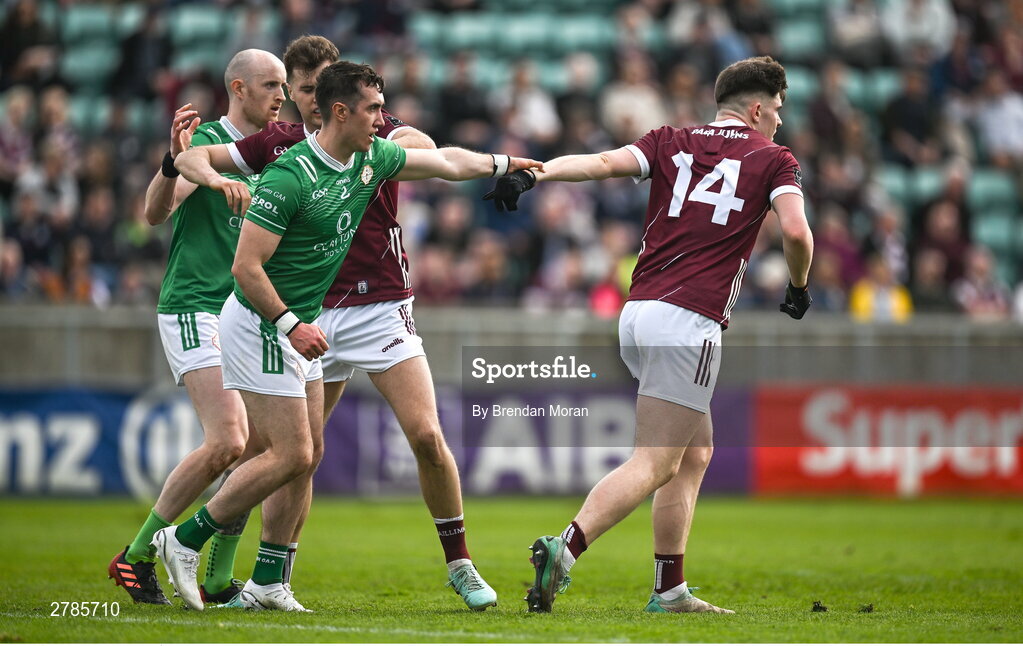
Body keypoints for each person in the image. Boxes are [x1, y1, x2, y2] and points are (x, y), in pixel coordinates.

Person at [153, 60, 541, 612]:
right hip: (290, 315)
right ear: (333, 105)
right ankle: (218, 556)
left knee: (411, 439)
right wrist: (212, 178)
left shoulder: (376, 146)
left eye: (306, 87)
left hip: (372, 307)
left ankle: (455, 564)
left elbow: (440, 158)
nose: (299, 99)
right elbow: (235, 248)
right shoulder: (286, 156)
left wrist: (502, 161)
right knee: (295, 455)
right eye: (295, 89)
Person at [484, 55, 814, 614]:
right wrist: (799, 287)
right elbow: (798, 232)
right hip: (690, 320)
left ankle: (670, 589)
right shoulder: (774, 158)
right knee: (656, 460)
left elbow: (602, 164)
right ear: (757, 109)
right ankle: (563, 550)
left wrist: (535, 173)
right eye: (777, 110)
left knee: (693, 453)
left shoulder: (671, 139)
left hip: (638, 312)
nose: (779, 121)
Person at [107, 49, 287, 606]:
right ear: (238, 87)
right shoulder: (205, 142)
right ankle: (136, 555)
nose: (280, 95)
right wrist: (173, 162)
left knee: (261, 446)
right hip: (195, 304)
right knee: (230, 438)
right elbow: (155, 215)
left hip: (245, 311)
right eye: (271, 85)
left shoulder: (279, 147)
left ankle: (216, 577)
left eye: (285, 85)